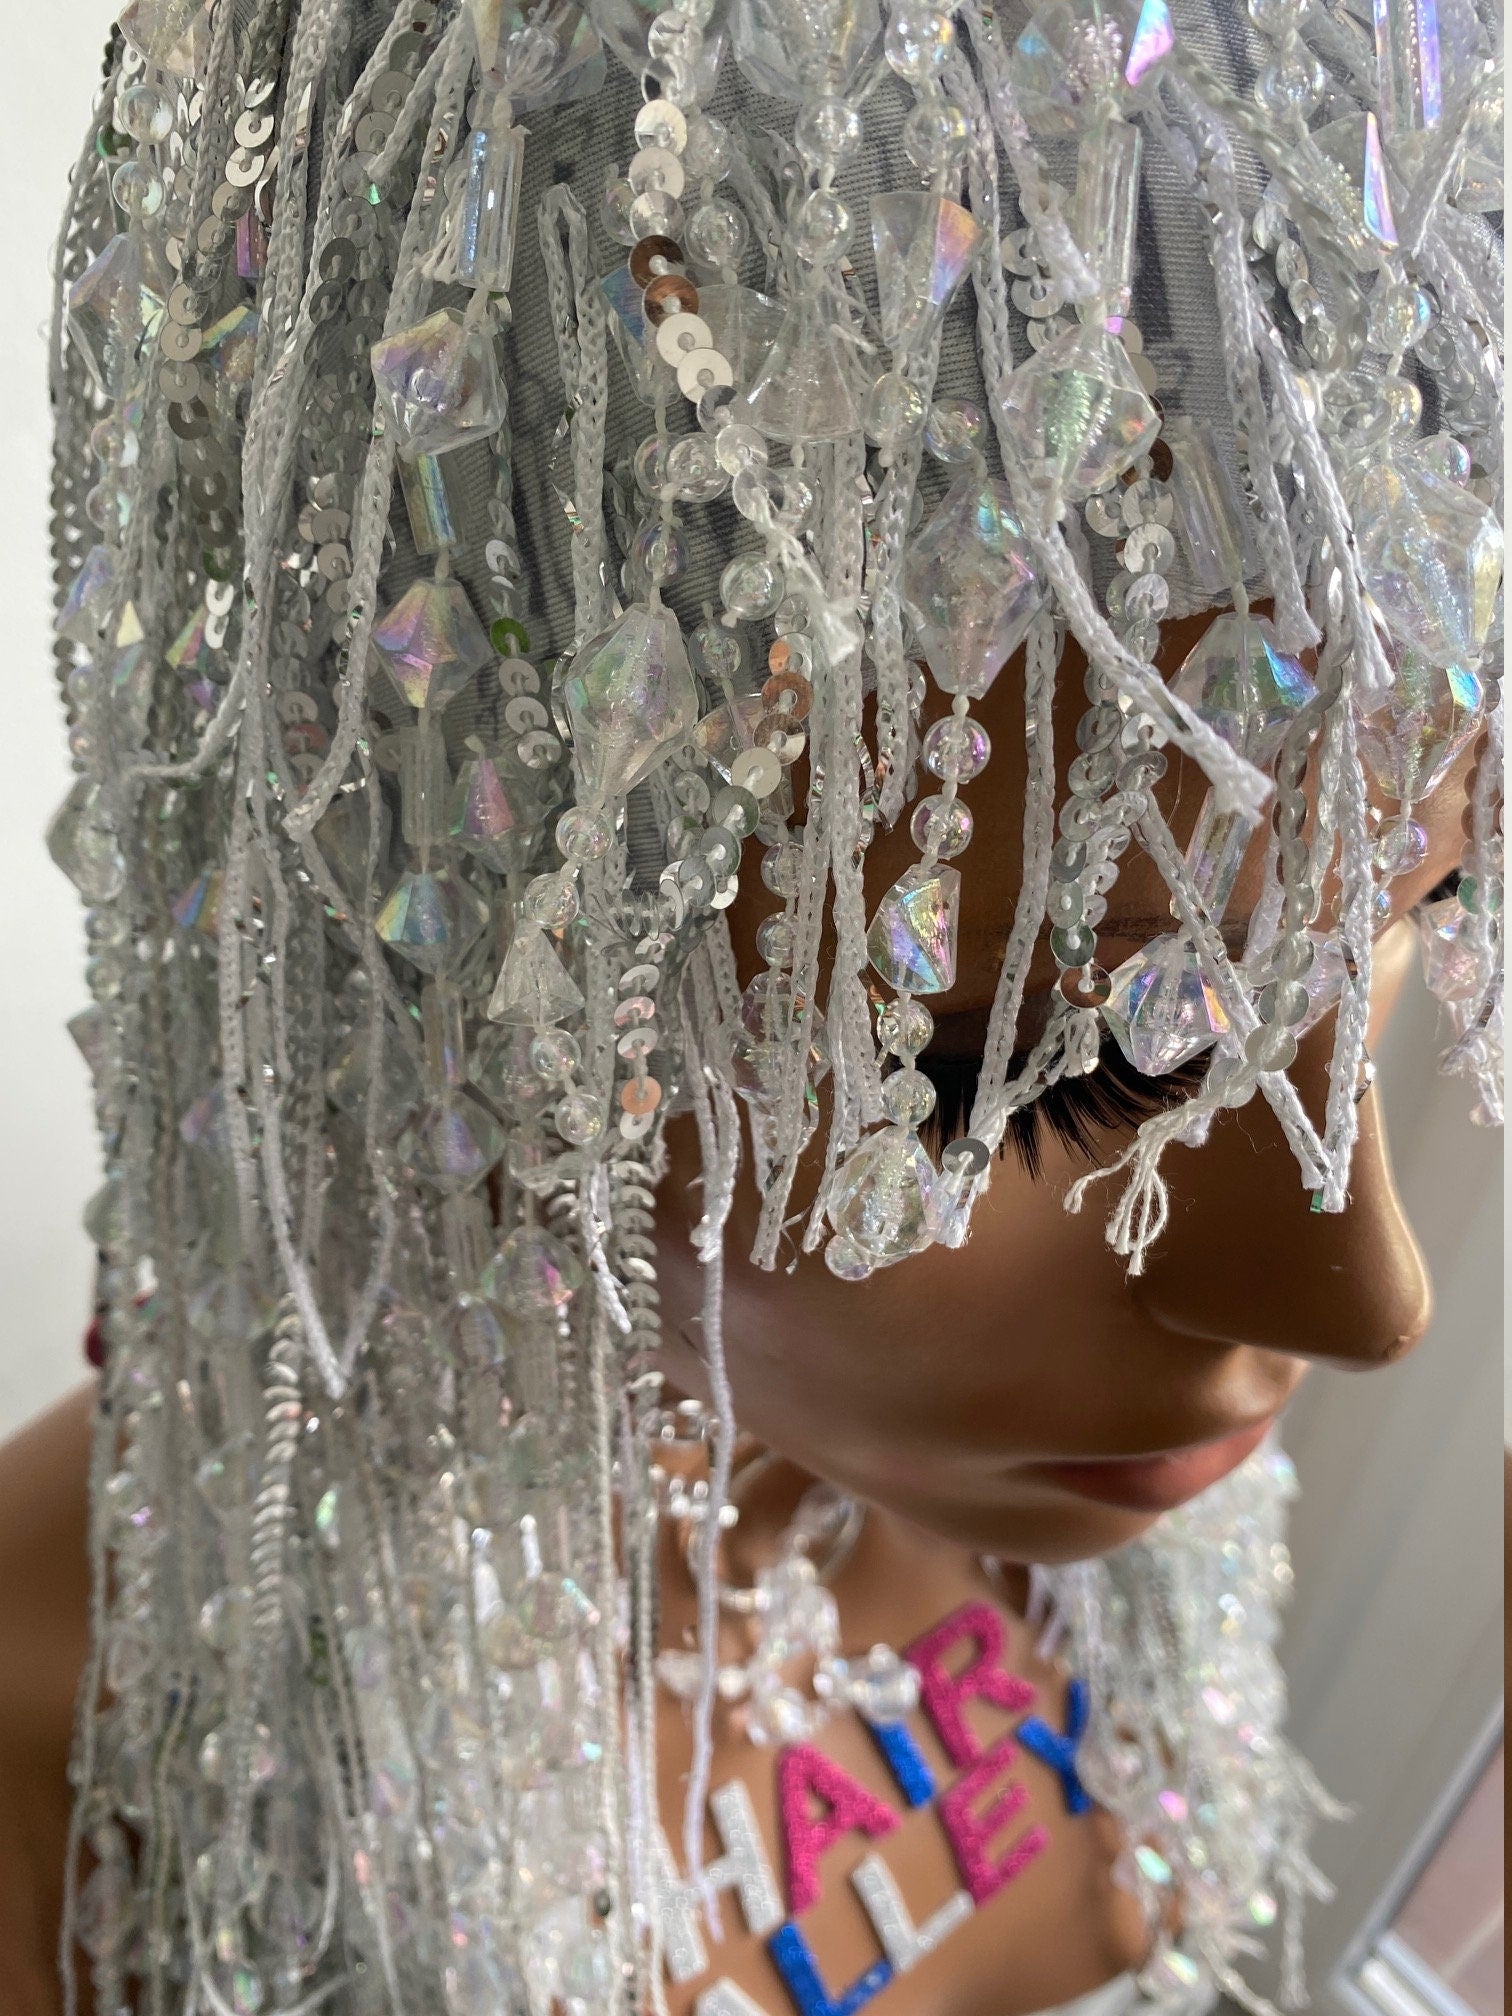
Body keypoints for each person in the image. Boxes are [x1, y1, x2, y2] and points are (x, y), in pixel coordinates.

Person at [19, 0, 1502, 2011]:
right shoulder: (89, 1822)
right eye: (1028, 1076)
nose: (1364, 1295)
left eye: (1423, 902)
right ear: (430, 917)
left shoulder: (1048, 1487)